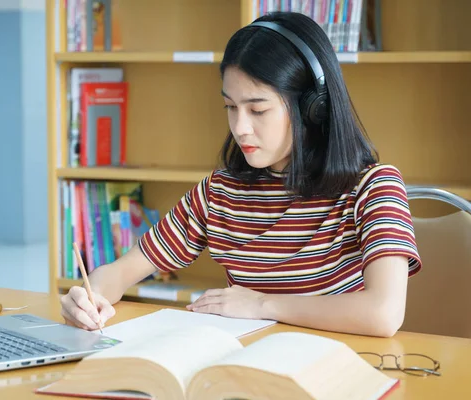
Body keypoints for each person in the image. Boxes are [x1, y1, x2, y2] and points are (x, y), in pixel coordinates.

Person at [60, 11, 422, 338]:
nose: (240, 127)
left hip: (336, 372)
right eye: (231, 107)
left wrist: (262, 304)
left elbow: (383, 314)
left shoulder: (372, 187)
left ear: (313, 108)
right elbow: (122, 272)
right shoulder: (219, 192)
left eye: (258, 110)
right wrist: (89, 296)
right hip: (246, 372)